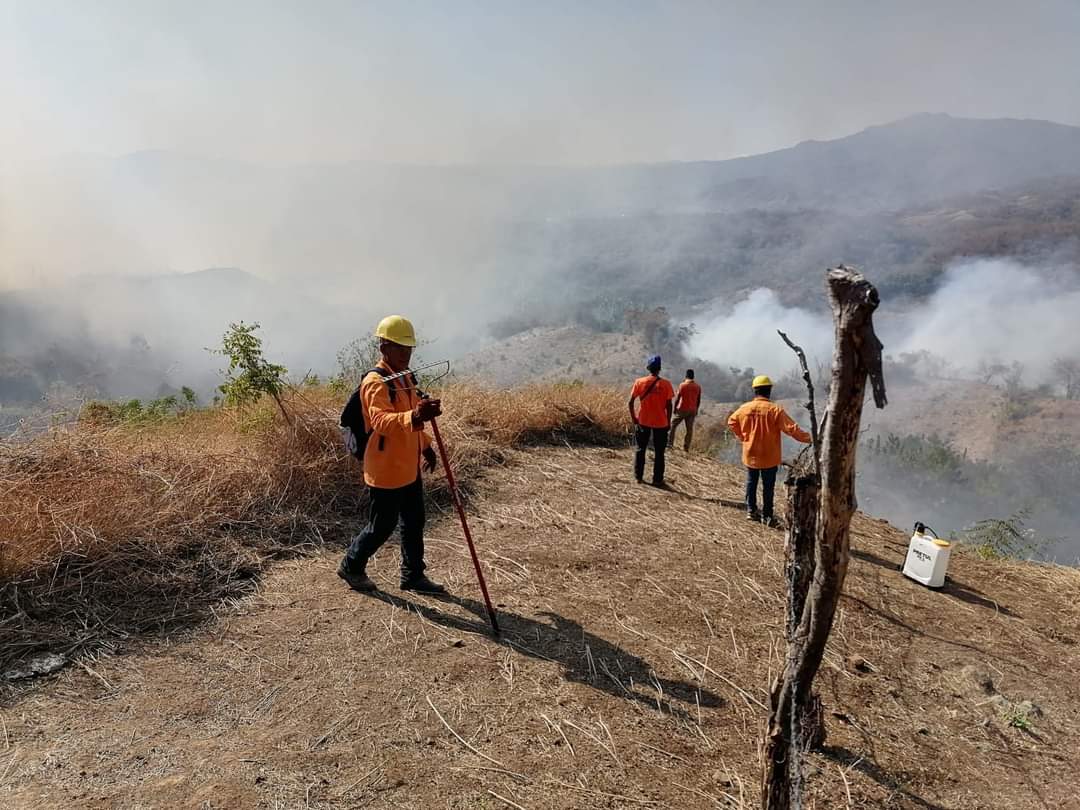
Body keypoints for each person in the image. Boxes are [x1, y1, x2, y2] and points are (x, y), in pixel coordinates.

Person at [338, 315, 446, 593]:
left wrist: (426, 445)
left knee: (414, 521)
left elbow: (410, 421)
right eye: (399, 348)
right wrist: (416, 414)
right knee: (382, 527)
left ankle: (413, 576)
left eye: (409, 348)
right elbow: (381, 421)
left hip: (408, 467)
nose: (405, 354)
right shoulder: (375, 382)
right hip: (385, 470)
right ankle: (351, 566)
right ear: (384, 347)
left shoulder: (406, 378)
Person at [727, 375, 811, 527]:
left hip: (750, 453)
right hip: (769, 456)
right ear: (769, 390)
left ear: (755, 390)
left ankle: (751, 511)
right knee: (768, 486)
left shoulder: (744, 408)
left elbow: (731, 421)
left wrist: (743, 437)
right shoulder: (775, 410)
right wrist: (810, 439)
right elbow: (792, 430)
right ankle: (767, 516)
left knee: (751, 482)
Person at [628, 355, 675, 486]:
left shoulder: (639, 382)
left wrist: (634, 418)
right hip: (661, 422)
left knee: (640, 449)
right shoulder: (666, 384)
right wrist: (669, 420)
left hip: (643, 421)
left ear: (648, 367)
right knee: (660, 452)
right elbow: (669, 405)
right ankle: (657, 480)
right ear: (659, 369)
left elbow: (630, 402)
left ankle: (638, 477)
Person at [668, 369, 702, 451]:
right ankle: (686, 448)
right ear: (693, 377)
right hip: (692, 410)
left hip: (682, 409)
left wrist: (675, 408)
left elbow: (678, 398)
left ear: (686, 376)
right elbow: (698, 400)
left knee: (673, 425)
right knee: (689, 429)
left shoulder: (682, 385)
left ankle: (670, 444)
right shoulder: (697, 387)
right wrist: (696, 409)